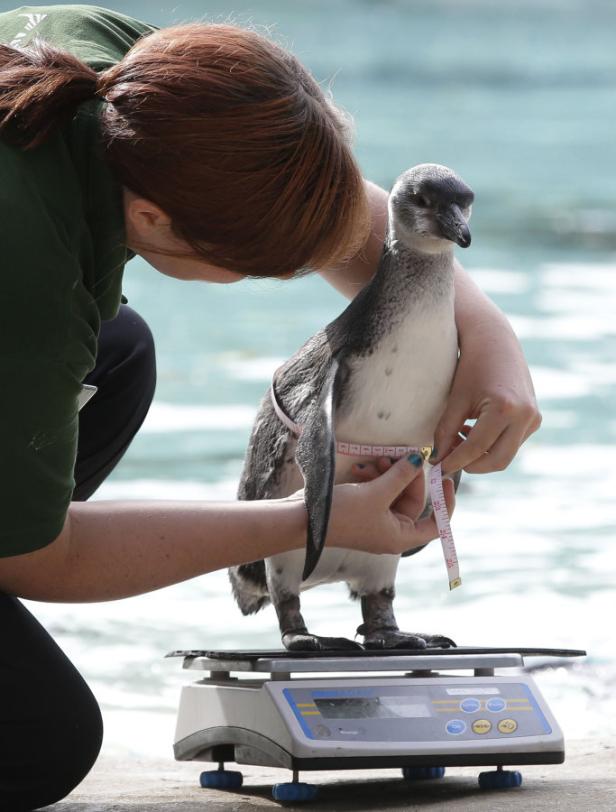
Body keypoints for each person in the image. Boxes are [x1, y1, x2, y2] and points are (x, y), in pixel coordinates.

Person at [0, 5, 540, 809]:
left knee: (122, 354)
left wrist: (491, 342)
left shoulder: (124, 73)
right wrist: (311, 519)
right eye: (257, 267)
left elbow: (352, 223)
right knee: (44, 746)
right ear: (152, 219)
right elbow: (40, 558)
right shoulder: (30, 289)